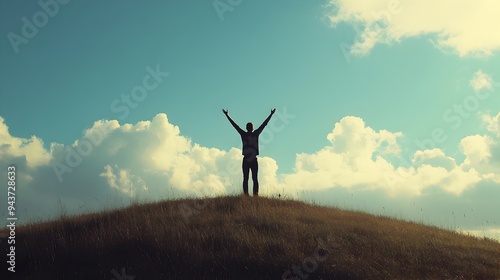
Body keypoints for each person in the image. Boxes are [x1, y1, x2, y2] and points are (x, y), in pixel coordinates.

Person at [222, 108, 276, 196]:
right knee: (250, 178)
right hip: (249, 159)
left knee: (249, 178)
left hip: (249, 159)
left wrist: (271, 115)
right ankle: (250, 195)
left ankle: (252, 195)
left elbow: (235, 126)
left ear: (247, 128)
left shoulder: (248, 134)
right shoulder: (253, 134)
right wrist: (271, 114)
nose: (250, 128)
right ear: (250, 128)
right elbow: (264, 124)